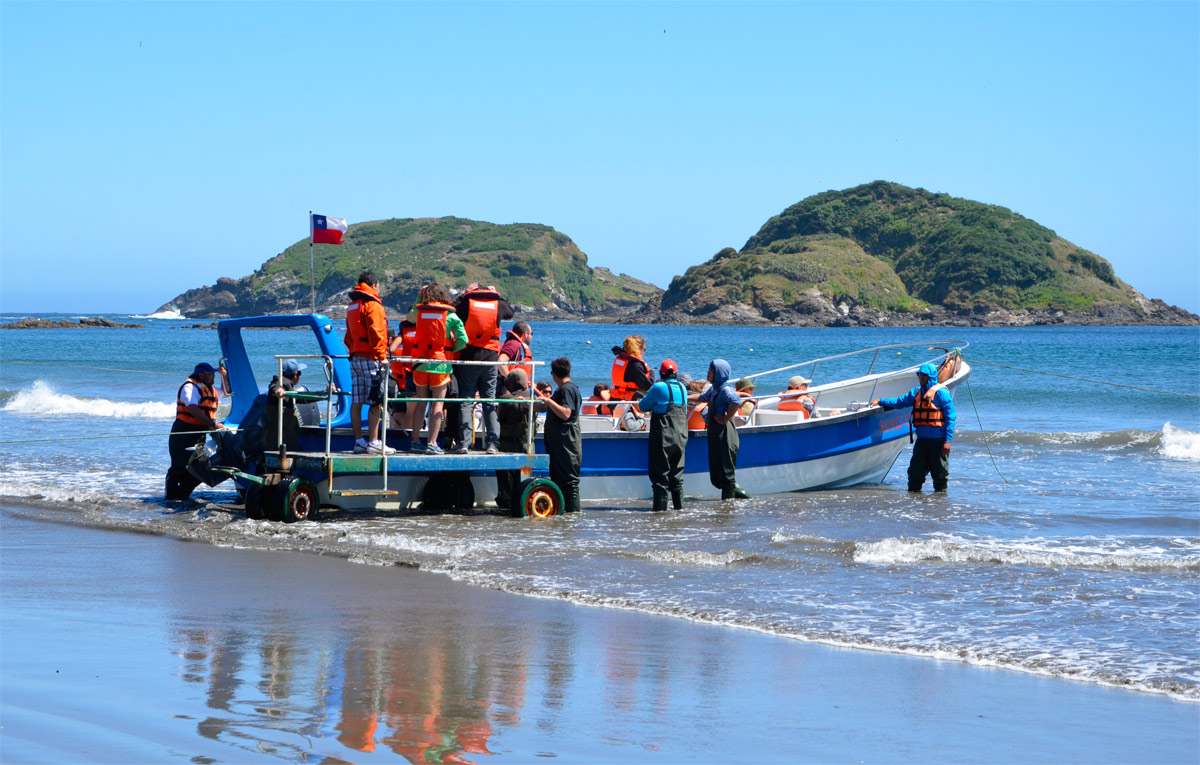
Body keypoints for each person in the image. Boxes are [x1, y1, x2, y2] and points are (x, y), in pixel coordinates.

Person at [871, 363, 957, 492]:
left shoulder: (942, 393)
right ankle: (914, 503)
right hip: (922, 440)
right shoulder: (915, 393)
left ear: (931, 377)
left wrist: (947, 441)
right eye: (920, 375)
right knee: (915, 474)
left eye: (924, 376)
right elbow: (899, 402)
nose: (921, 378)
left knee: (940, 475)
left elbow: (951, 417)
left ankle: (940, 505)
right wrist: (881, 401)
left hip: (938, 440)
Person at [453, 284, 514, 454]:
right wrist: (497, 295)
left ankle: (464, 443)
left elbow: (451, 309)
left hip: (470, 357)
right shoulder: (497, 304)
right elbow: (510, 312)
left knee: (466, 402)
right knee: (489, 402)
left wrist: (464, 294)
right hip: (490, 359)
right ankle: (493, 444)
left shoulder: (467, 302)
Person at [409, 283, 466, 454]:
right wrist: (450, 351)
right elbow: (463, 339)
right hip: (440, 364)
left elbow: (409, 316)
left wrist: (420, 295)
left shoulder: (419, 314)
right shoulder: (450, 316)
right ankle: (432, 443)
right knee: (438, 405)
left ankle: (415, 441)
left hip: (420, 363)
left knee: (420, 403)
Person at [166, 360, 230, 500]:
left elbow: (227, 392)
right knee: (179, 467)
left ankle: (181, 496)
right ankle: (171, 499)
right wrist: (212, 425)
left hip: (199, 434)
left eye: (213, 375)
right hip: (183, 432)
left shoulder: (209, 389)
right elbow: (193, 409)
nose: (213, 377)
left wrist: (224, 376)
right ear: (201, 375)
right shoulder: (189, 388)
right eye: (210, 374)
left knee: (199, 468)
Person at [343, 271, 392, 454]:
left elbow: (348, 336)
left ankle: (358, 441)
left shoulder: (353, 305)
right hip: (371, 358)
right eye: (378, 286)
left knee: (356, 401)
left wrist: (354, 348)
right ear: (374, 285)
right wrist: (382, 356)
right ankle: (373, 441)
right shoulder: (373, 305)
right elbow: (377, 332)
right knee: (376, 400)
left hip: (355, 357)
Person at [691, 359, 750, 500]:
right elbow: (702, 397)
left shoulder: (725, 389)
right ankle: (725, 507)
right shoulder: (714, 389)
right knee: (718, 473)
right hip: (716, 435)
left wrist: (726, 418)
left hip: (725, 436)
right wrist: (683, 398)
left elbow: (736, 401)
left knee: (727, 475)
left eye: (711, 370)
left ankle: (727, 508)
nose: (708, 372)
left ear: (719, 373)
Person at [637, 359, 689, 511]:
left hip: (663, 436)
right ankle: (680, 512)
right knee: (677, 477)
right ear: (676, 373)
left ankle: (660, 518)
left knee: (660, 477)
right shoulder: (683, 388)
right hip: (681, 436)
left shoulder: (658, 386)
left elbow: (642, 406)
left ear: (661, 373)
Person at [535, 357, 582, 513]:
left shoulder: (567, 389)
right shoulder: (563, 390)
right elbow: (546, 407)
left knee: (570, 482)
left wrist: (549, 401)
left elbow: (566, 413)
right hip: (561, 445)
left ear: (553, 374)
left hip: (567, 444)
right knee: (560, 481)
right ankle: (564, 516)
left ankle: (573, 516)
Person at [495, 369, 533, 511]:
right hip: (527, 445)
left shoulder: (506, 399)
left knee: (506, 479)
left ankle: (506, 503)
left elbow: (500, 418)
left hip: (507, 445)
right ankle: (523, 504)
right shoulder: (532, 399)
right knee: (524, 480)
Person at [264, 359, 306, 453]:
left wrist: (324, 393)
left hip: (283, 437)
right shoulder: (281, 382)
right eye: (300, 374)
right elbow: (276, 385)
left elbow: (300, 398)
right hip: (278, 441)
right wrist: (279, 390)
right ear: (295, 374)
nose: (299, 377)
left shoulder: (288, 385)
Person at [609, 335, 653, 401]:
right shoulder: (636, 365)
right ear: (639, 350)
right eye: (644, 350)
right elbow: (646, 386)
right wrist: (652, 373)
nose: (644, 352)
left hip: (615, 399)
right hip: (629, 401)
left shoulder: (621, 360)